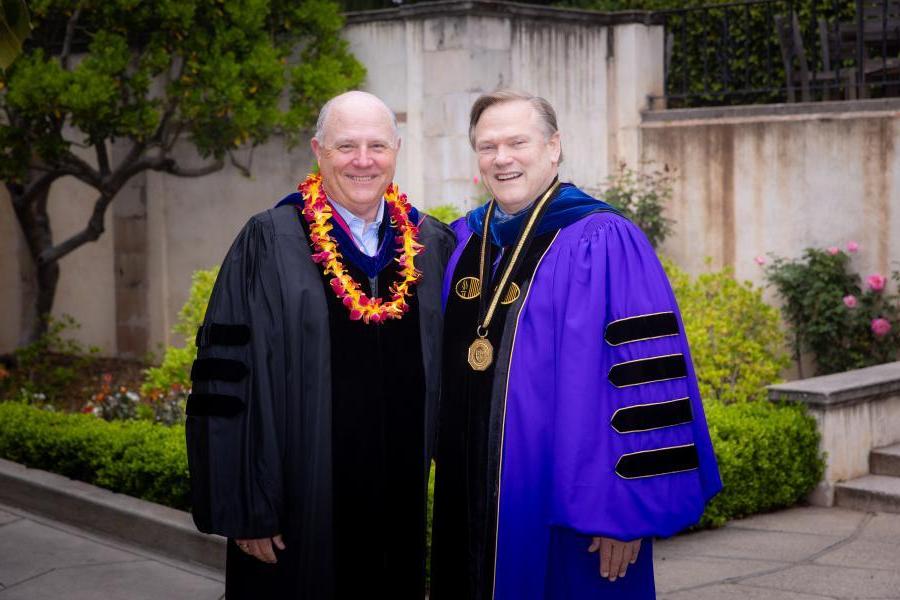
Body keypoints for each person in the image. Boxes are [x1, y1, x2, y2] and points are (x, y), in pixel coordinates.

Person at [430, 90, 722, 600]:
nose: (503, 158)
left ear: (554, 146)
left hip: (574, 514)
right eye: (487, 146)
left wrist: (624, 514)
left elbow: (642, 382)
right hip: (468, 499)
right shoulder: (463, 242)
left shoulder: (604, 240)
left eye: (517, 142)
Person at [185, 91, 455, 599]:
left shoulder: (431, 245)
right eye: (345, 145)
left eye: (377, 145)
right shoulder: (268, 242)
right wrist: (247, 509)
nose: (362, 160)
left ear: (396, 149)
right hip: (295, 515)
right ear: (318, 150)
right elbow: (227, 382)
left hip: (398, 510)